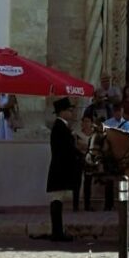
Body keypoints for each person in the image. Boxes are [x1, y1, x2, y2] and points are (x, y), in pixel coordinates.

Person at [44, 98, 76, 241]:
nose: (71, 113)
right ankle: (57, 233)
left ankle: (58, 231)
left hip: (60, 169)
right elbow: (65, 150)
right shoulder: (59, 127)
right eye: (69, 110)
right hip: (59, 169)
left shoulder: (62, 127)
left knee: (59, 199)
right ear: (62, 112)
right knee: (57, 199)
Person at [75, 116, 95, 211]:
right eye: (84, 121)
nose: (86, 123)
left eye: (88, 121)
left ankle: (87, 205)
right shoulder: (77, 134)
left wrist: (85, 147)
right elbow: (77, 146)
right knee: (77, 182)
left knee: (88, 182)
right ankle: (76, 206)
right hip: (79, 159)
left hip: (89, 160)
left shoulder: (94, 135)